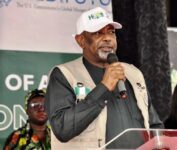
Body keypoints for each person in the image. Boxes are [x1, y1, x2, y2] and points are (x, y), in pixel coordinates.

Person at [45, 7, 163, 149]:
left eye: (111, 32)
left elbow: (154, 123)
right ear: (81, 40)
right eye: (98, 33)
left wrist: (160, 143)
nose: (107, 38)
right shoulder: (64, 74)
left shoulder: (133, 73)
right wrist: (104, 87)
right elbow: (62, 128)